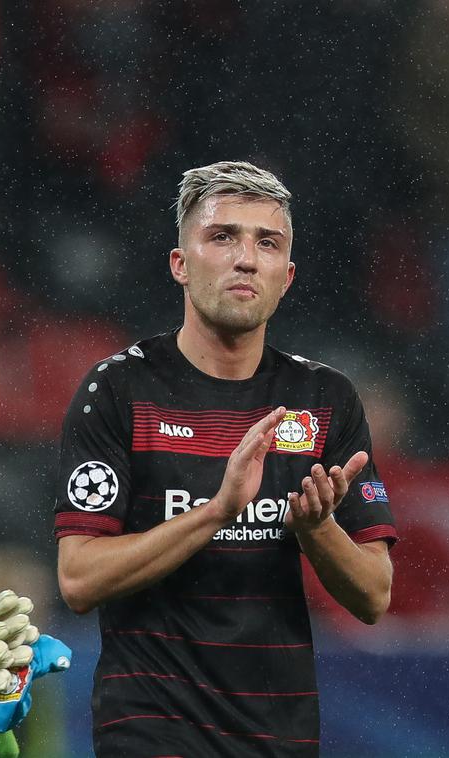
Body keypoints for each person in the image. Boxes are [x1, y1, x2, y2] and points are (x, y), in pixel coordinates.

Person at [55, 161, 397, 756]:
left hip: (278, 734)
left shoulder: (324, 400)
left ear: (286, 276)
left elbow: (373, 597)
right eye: (223, 237)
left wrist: (317, 531)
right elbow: (79, 579)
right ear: (180, 265)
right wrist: (218, 510)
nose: (246, 258)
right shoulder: (118, 390)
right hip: (150, 729)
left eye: (267, 243)